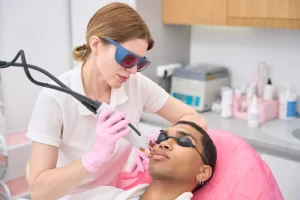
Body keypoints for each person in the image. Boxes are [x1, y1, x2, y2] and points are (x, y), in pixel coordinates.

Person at [26, 2, 207, 200]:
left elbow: (194, 119)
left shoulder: (136, 85)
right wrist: (93, 158)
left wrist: (160, 138)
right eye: (128, 59)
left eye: (140, 63)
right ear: (95, 44)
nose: (133, 71)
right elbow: (39, 192)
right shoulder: (55, 99)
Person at [66, 118, 217, 200]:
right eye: (162, 137)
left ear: (203, 172)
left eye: (184, 141)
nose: (164, 143)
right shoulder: (103, 195)